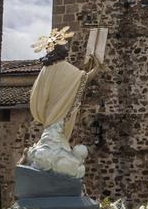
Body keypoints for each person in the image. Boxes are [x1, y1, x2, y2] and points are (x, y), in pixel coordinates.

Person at [24, 30, 99, 179]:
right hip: (59, 116)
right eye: (65, 45)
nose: (67, 47)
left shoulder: (45, 70)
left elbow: (37, 94)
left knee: (50, 141)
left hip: (48, 115)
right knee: (59, 147)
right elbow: (84, 79)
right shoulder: (65, 68)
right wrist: (96, 68)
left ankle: (45, 156)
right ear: (60, 49)